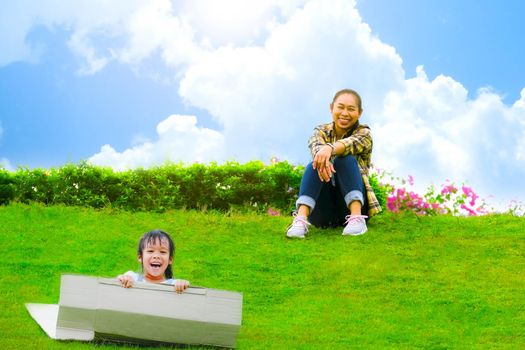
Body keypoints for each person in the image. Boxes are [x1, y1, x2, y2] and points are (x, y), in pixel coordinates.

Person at [286, 89, 381, 238]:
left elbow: (349, 144)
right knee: (315, 164)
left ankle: (357, 220)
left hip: (353, 206)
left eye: (351, 109)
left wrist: (329, 149)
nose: (345, 113)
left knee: (345, 159)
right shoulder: (320, 132)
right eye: (340, 107)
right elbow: (315, 147)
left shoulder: (364, 133)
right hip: (325, 210)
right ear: (332, 108)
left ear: (359, 113)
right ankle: (300, 220)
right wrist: (323, 156)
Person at [117, 229, 190, 293]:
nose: (156, 256)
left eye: (163, 252)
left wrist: (183, 284)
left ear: (170, 260)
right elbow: (118, 282)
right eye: (150, 251)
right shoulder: (133, 278)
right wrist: (124, 278)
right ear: (140, 257)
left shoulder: (174, 285)